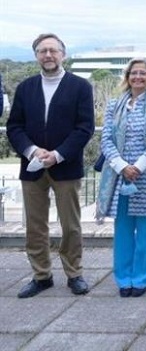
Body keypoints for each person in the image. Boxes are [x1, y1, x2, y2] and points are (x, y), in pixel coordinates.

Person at [6, 33, 95, 298]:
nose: (48, 55)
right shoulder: (25, 87)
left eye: (53, 50)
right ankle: (41, 275)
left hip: (65, 166)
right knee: (35, 226)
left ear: (62, 54)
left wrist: (57, 154)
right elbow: (14, 127)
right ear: (36, 56)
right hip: (32, 166)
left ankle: (74, 273)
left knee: (71, 225)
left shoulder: (80, 86)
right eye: (42, 51)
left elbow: (84, 128)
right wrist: (33, 151)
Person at [97, 58, 146, 298]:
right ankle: (123, 278)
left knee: (145, 231)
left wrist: (137, 167)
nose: (138, 77)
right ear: (127, 77)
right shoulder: (114, 105)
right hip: (119, 175)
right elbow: (106, 140)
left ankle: (141, 278)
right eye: (134, 73)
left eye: (143, 73)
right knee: (123, 230)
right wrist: (122, 166)